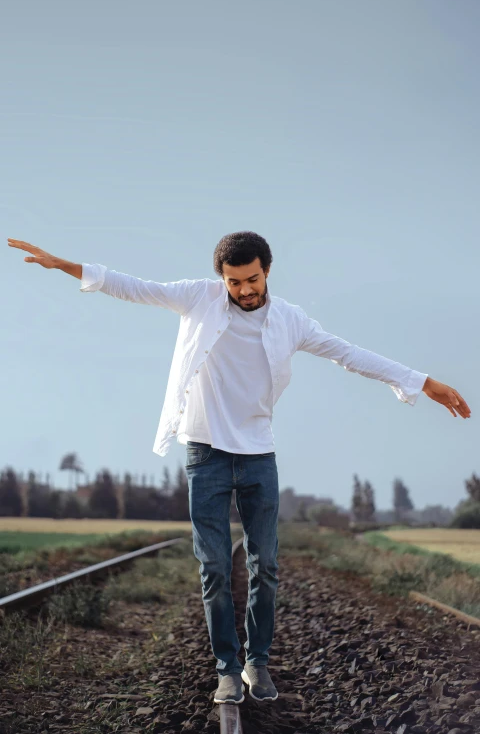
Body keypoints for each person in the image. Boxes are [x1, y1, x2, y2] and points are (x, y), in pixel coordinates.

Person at [7, 232, 471, 704]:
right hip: (205, 454)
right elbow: (133, 286)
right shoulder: (198, 298)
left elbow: (348, 354)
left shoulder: (291, 321)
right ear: (221, 279)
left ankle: (258, 663)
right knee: (212, 567)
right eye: (234, 282)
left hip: (257, 456)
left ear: (267, 271)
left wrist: (421, 381)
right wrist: (67, 266)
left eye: (251, 279)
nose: (244, 290)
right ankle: (227, 668)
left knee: (264, 565)